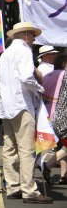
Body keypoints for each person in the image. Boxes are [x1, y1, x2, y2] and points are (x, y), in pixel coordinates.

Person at [0, 22, 52, 204]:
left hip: (6, 106)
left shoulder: (4, 54)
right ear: (27, 35)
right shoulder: (24, 51)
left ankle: (13, 186)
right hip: (21, 104)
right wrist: (40, 88)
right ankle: (29, 190)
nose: (34, 40)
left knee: (10, 148)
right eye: (33, 36)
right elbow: (26, 77)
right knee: (26, 149)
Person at [42, 55, 67, 185]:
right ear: (64, 63)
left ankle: (63, 175)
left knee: (61, 147)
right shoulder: (65, 75)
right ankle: (48, 165)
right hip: (62, 116)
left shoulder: (47, 76)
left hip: (47, 116)